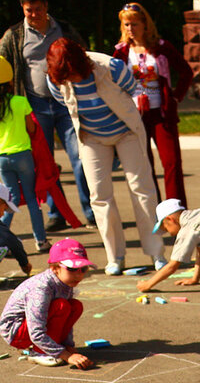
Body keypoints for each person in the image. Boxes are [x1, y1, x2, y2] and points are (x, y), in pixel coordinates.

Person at [47, 38, 166, 275]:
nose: (70, 81)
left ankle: (156, 253)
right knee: (99, 196)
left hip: (126, 132)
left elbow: (134, 88)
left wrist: (137, 101)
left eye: (73, 76)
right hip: (91, 138)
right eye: (65, 78)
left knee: (142, 189)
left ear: (81, 65)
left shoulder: (110, 67)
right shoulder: (55, 79)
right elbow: (65, 103)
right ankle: (115, 256)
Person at [0, 0, 93, 231]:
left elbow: (85, 55)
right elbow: (1, 68)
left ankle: (91, 210)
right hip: (34, 104)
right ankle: (57, 213)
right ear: (22, 8)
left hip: (67, 102)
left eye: (38, 9)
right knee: (44, 163)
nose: (34, 15)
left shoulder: (64, 29)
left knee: (80, 156)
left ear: (46, 7)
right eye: (29, 11)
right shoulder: (14, 35)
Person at [113, 1, 194, 204]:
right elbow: (112, 81)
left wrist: (175, 96)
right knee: (144, 165)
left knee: (172, 163)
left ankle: (176, 212)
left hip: (162, 113)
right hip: (135, 115)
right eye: (126, 25)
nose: (130, 29)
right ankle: (155, 210)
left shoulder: (161, 47)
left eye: (134, 24)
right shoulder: (121, 52)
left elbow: (185, 71)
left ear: (145, 24)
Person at [0, 55, 47, 253]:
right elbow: (31, 128)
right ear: (10, 80)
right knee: (32, 197)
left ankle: (3, 239)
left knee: (11, 199)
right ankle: (41, 241)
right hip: (23, 154)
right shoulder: (20, 102)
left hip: (1, 156)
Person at [0, 238, 95, 368]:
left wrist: (68, 346)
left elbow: (66, 321)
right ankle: (39, 353)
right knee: (61, 306)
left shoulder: (65, 283)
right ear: (55, 268)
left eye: (83, 269)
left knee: (75, 306)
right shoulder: (41, 288)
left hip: (32, 327)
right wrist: (66, 355)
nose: (78, 274)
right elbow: (36, 331)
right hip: (16, 332)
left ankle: (54, 346)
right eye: (72, 269)